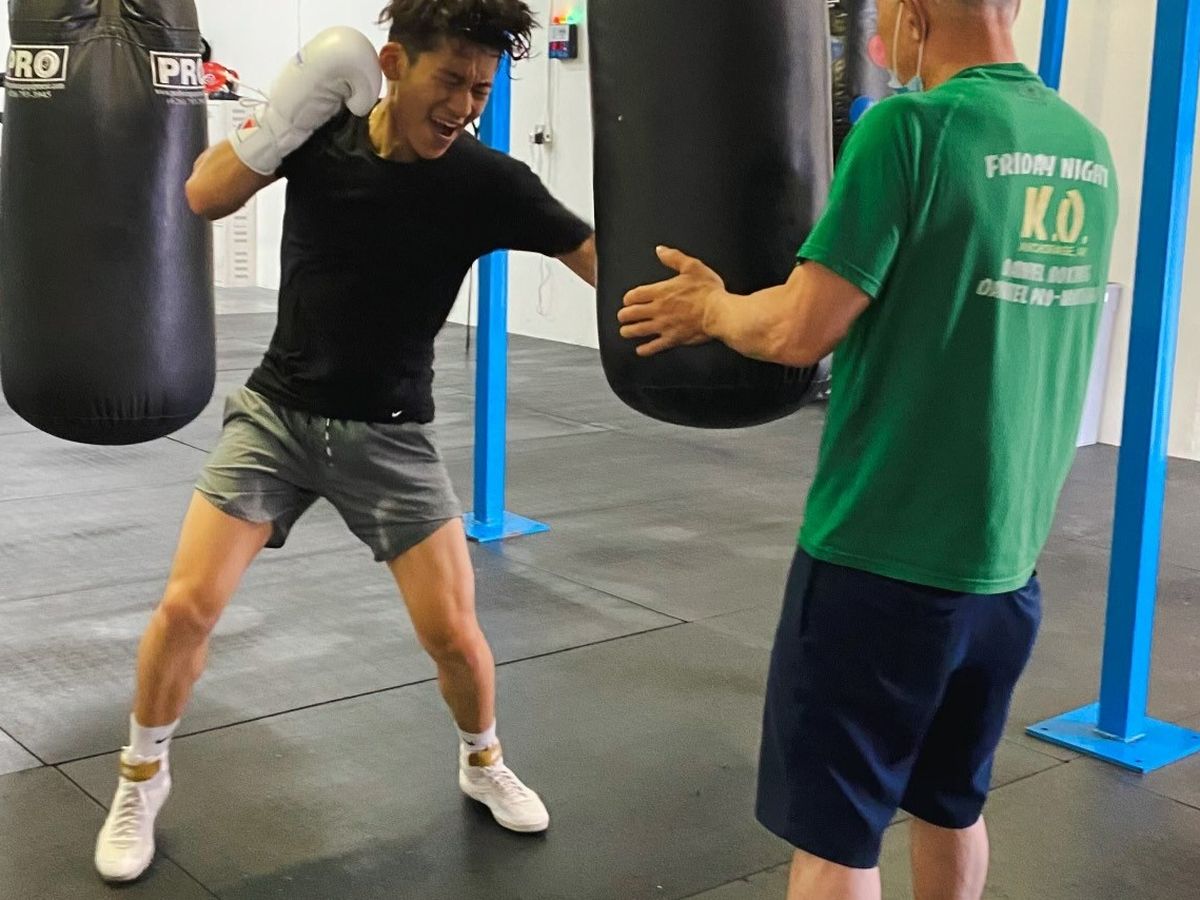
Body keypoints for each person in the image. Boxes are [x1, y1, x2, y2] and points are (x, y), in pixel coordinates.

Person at [618, 1, 1117, 898]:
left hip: (878, 560)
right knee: (951, 805)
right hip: (1005, 576)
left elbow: (800, 328)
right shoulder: (1086, 147)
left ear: (913, 10)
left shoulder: (908, 129)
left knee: (837, 841)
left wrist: (710, 309)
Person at [95, 0, 596, 883]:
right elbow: (205, 195)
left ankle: (482, 761)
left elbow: (594, 257)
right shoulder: (320, 140)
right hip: (277, 418)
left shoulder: (489, 182)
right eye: (451, 81)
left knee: (455, 636)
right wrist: (279, 120)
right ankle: (142, 777)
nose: (464, 106)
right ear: (395, 65)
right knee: (187, 608)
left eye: (481, 89)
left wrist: (711, 316)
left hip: (392, 437)